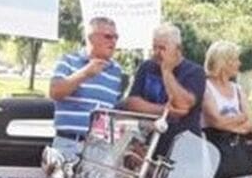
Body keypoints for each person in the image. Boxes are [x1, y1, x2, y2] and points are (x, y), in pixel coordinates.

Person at [48, 17, 124, 159]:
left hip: (101, 148)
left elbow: (115, 111)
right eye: (108, 36)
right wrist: (85, 73)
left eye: (116, 37)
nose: (113, 42)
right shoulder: (68, 61)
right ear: (91, 38)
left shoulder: (117, 71)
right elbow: (55, 92)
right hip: (69, 144)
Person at [123, 23, 206, 154]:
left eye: (162, 48)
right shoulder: (146, 67)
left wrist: (167, 71)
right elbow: (132, 102)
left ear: (178, 49)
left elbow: (183, 104)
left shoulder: (195, 72)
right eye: (154, 47)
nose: (157, 53)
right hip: (149, 145)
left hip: (184, 148)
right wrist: (164, 110)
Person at [200, 41, 252, 178]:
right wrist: (239, 119)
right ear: (224, 62)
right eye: (235, 59)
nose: (239, 64)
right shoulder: (205, 87)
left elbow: (251, 122)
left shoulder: (237, 89)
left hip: (236, 152)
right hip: (214, 150)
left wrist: (229, 124)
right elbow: (215, 120)